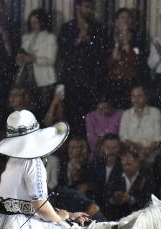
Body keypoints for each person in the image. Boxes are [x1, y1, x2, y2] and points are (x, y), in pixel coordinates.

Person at [0, 110, 87, 229]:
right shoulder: (32, 161)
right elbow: (40, 206)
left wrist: (67, 214)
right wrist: (60, 217)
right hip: (20, 228)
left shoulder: (4, 159)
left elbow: (23, 202)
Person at [57, 0, 107, 133]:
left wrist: (90, 42)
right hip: (71, 79)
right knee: (71, 116)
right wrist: (77, 41)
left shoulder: (97, 28)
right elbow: (62, 54)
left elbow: (102, 55)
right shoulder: (67, 28)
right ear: (78, 7)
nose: (89, 10)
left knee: (90, 116)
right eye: (86, 7)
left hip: (91, 80)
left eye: (91, 7)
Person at [18, 9, 58, 114]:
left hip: (44, 80)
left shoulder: (50, 38)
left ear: (42, 22)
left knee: (43, 108)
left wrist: (33, 59)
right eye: (31, 23)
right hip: (27, 78)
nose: (33, 26)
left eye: (36, 22)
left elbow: (51, 60)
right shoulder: (26, 37)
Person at [106, 8, 146, 109]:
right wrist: (117, 46)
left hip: (131, 81)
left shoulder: (137, 37)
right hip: (114, 81)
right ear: (116, 21)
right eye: (122, 17)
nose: (125, 20)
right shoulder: (110, 37)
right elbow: (108, 62)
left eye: (128, 18)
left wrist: (128, 46)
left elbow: (138, 57)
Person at [118, 86, 161, 160]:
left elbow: (159, 139)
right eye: (133, 96)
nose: (136, 100)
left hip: (152, 154)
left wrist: (147, 151)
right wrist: (139, 151)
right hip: (132, 154)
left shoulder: (155, 112)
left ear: (146, 97)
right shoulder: (126, 114)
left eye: (139, 96)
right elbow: (124, 138)